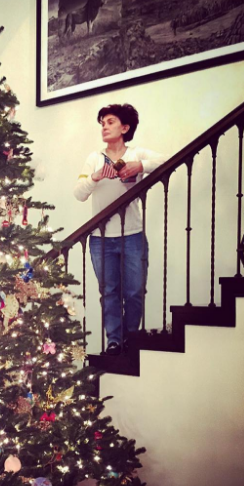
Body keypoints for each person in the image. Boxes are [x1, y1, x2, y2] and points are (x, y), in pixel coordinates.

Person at [73, 104, 167, 356]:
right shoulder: (94, 158)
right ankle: (115, 341)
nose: (104, 126)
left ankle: (130, 338)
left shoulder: (137, 153)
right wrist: (94, 177)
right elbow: (78, 194)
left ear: (125, 128)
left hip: (133, 236)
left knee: (135, 291)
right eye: (102, 122)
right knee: (110, 293)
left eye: (110, 121)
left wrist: (140, 167)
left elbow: (166, 160)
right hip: (100, 240)